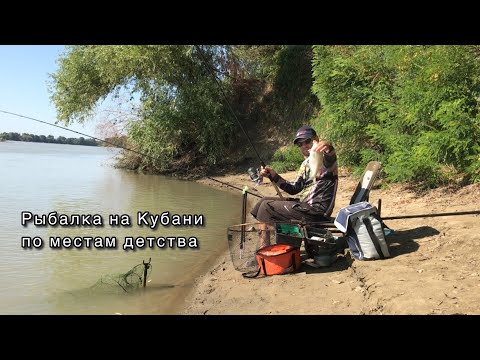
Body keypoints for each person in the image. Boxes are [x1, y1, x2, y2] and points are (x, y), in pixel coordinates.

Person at [250, 125, 338, 248]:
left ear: (316, 139)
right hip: (304, 206)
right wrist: (273, 175)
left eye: (307, 141)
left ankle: (265, 249)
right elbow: (293, 188)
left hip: (317, 211)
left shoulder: (324, 159)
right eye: (300, 144)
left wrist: (327, 146)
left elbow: (331, 154)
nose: (304, 146)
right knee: (263, 202)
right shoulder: (305, 164)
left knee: (266, 207)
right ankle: (272, 246)